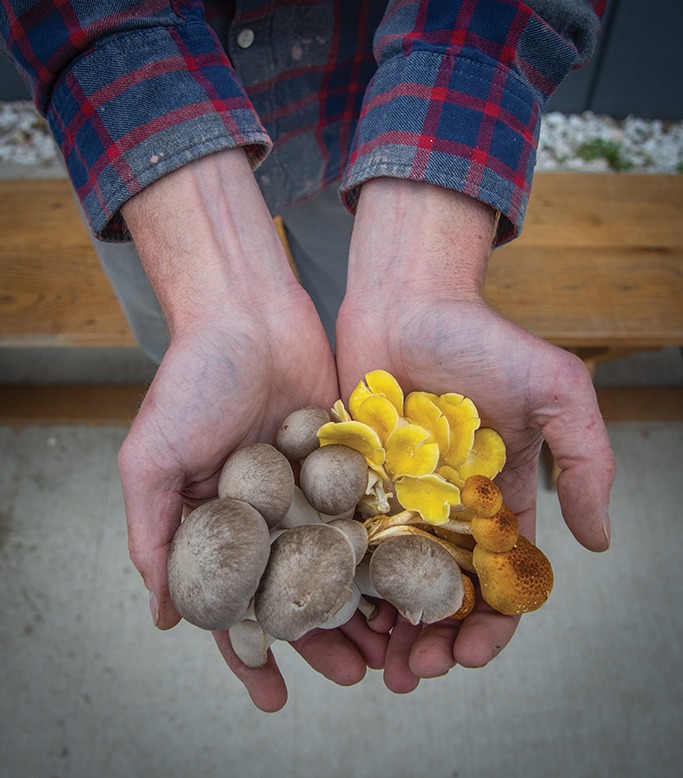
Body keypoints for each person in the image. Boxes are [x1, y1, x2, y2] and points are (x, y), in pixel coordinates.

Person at [1, 1, 616, 712]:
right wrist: (214, 295)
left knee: (345, 349)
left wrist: (425, 260)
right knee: (180, 340)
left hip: (365, 118)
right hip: (144, 159)